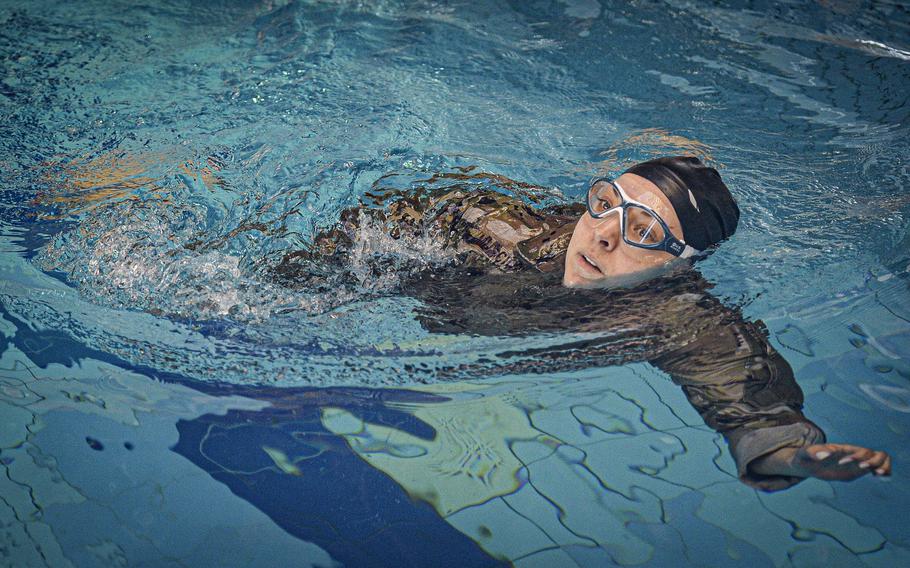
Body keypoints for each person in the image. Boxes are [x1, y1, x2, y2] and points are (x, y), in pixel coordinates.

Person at [274, 156, 892, 491]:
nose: (600, 234)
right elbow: (381, 226)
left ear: (683, 264)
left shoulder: (681, 320)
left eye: (642, 232)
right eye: (604, 204)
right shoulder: (500, 230)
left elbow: (757, 414)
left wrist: (796, 458)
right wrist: (308, 288)